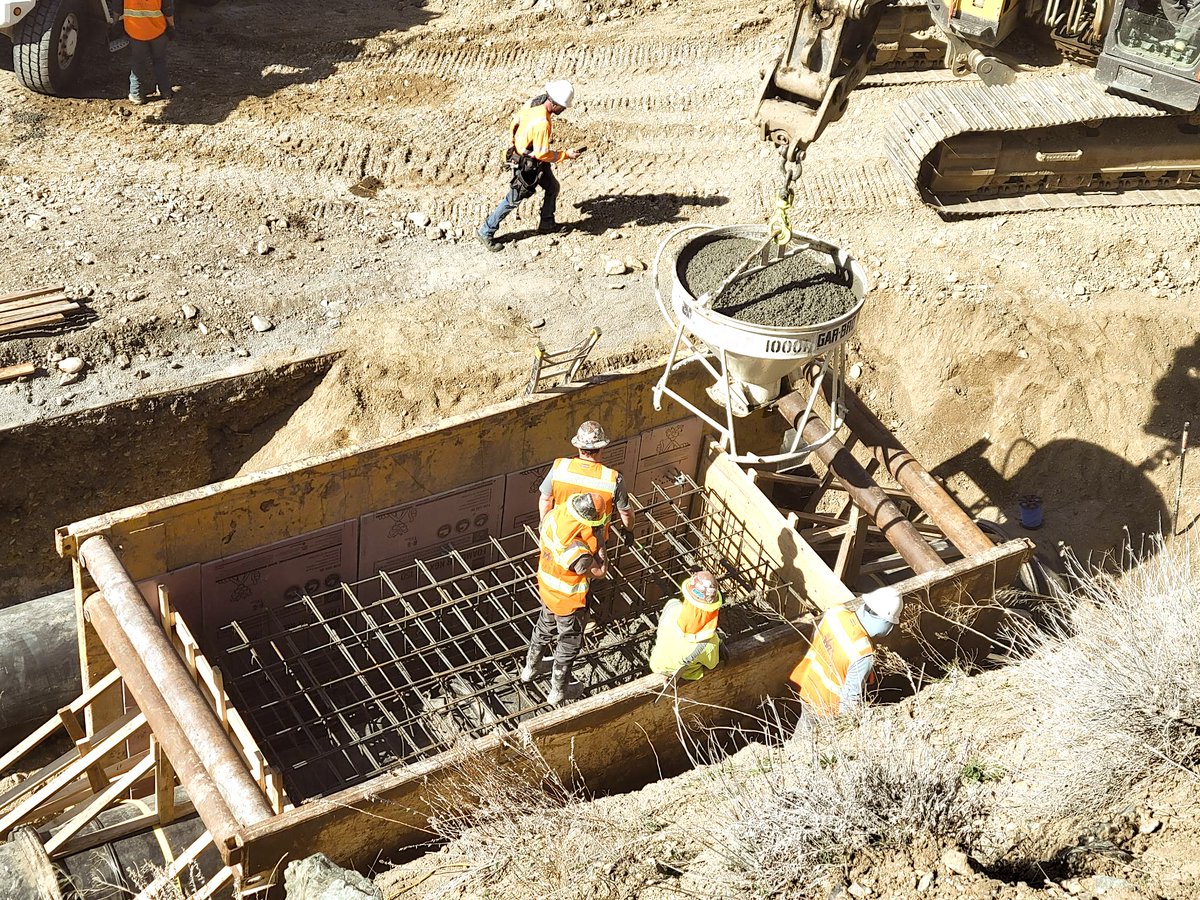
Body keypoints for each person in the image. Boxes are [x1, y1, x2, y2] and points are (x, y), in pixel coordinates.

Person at [522, 492, 609, 705]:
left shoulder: (552, 517)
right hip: (568, 602)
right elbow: (600, 571)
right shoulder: (576, 550)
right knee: (568, 645)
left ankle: (530, 668)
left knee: (544, 627)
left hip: (547, 588)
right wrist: (599, 541)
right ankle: (559, 690)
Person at [476, 80, 583, 252]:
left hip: (530, 158)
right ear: (554, 103)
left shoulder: (534, 103)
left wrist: (515, 143)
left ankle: (547, 223)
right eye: (563, 106)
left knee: (552, 187)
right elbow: (542, 154)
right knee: (513, 199)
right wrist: (566, 155)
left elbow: (515, 122)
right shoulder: (543, 124)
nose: (564, 110)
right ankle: (486, 231)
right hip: (529, 164)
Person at [788, 587, 903, 715]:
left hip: (807, 683)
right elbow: (850, 700)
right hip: (827, 707)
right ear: (884, 621)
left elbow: (816, 638)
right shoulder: (863, 652)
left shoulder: (836, 612)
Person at [538, 420, 635, 541]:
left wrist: (544, 525)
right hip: (592, 542)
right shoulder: (613, 478)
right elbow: (626, 513)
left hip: (560, 537)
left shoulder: (559, 467)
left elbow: (546, 500)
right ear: (602, 447)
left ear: (578, 446)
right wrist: (628, 530)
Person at [649, 570, 723, 681]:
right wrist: (718, 643)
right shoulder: (708, 645)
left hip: (656, 664)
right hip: (685, 677)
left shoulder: (672, 606)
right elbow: (712, 664)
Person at [120, 0, 176, 105]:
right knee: (159, 61)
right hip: (158, 31)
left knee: (138, 62)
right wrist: (172, 26)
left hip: (135, 31)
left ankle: (136, 95)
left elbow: (117, 6)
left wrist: (115, 22)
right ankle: (166, 91)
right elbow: (168, 8)